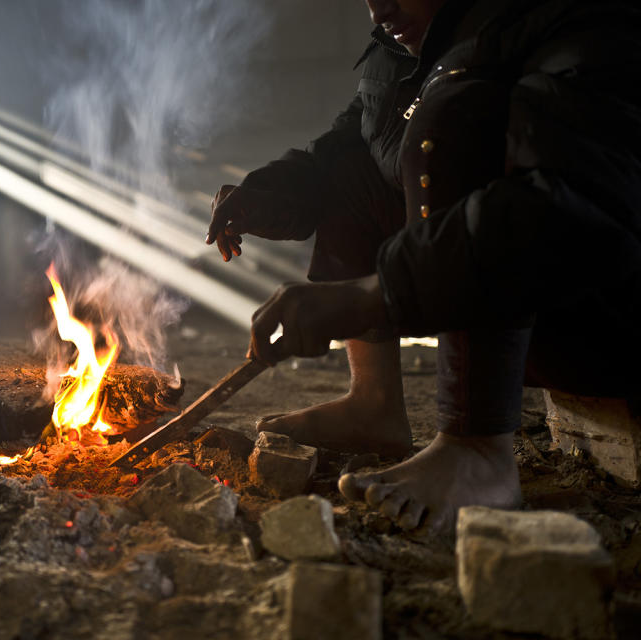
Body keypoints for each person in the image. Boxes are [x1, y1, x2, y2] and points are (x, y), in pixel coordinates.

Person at [207, 0, 641, 534]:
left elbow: (578, 209)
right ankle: (375, 404)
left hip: (606, 311)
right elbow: (353, 147)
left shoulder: (567, 18)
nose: (376, 9)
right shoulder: (412, 41)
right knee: (356, 166)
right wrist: (268, 196)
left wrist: (376, 294)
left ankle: (477, 447)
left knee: (449, 125)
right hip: (523, 310)